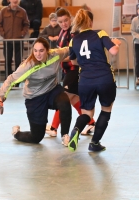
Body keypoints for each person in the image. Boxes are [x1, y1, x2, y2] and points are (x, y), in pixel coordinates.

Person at [0, 37, 72, 145]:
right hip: (35, 97)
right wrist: (0, 99)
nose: (38, 54)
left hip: (52, 90)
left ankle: (65, 136)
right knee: (36, 137)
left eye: (41, 50)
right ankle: (16, 133)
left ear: (47, 50)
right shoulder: (28, 65)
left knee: (64, 102)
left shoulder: (55, 55)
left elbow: (71, 49)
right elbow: (11, 80)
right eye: (35, 50)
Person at [68, 9, 121, 152]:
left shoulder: (74, 40)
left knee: (86, 113)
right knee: (106, 109)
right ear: (90, 22)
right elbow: (113, 51)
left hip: (85, 80)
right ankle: (95, 143)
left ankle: (76, 130)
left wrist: (86, 62)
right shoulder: (100, 33)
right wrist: (116, 43)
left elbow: (73, 62)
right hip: (104, 78)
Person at [45, 8, 95, 138]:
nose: (64, 23)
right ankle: (91, 122)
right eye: (60, 21)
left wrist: (57, 58)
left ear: (70, 18)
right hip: (66, 70)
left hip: (75, 70)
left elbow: (74, 54)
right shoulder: (61, 32)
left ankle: (54, 127)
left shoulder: (74, 33)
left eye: (66, 20)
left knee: (64, 98)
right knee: (73, 99)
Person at [0, 0, 29, 78]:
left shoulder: (22, 11)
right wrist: (3, 34)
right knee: (7, 61)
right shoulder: (3, 11)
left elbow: (26, 24)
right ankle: (8, 80)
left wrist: (22, 33)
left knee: (18, 61)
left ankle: (17, 81)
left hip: (19, 40)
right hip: (7, 40)